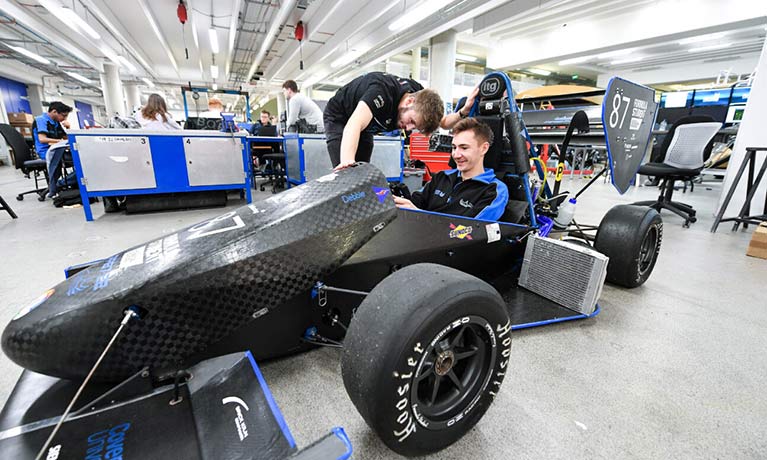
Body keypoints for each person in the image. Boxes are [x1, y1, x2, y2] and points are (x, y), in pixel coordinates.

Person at [323, 71, 444, 169]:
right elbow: (355, 123)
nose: (408, 129)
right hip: (340, 117)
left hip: (366, 126)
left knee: (362, 171)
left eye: (415, 127)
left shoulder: (420, 97)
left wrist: (462, 113)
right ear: (409, 102)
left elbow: (443, 122)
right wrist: (346, 162)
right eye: (412, 121)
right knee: (346, 173)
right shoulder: (382, 92)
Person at [394, 118, 509, 221]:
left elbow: (468, 231)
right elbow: (416, 202)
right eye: (454, 147)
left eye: (464, 148)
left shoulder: (495, 190)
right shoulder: (442, 177)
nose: (456, 155)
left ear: (484, 148)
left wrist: (419, 215)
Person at [33, 102, 72, 198]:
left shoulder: (56, 123)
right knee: (75, 160)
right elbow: (42, 139)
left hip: (58, 149)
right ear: (54, 112)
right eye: (64, 116)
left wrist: (68, 128)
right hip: (46, 151)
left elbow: (66, 137)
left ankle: (60, 183)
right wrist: (60, 141)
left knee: (81, 159)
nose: (65, 119)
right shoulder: (41, 120)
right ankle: (58, 184)